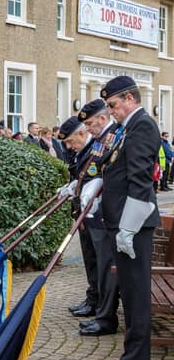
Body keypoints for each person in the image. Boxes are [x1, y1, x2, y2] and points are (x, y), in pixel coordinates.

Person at [84, 76, 161, 360]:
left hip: (134, 225)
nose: (112, 111)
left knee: (137, 293)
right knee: (128, 293)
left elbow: (141, 182)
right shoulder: (127, 128)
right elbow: (116, 169)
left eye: (113, 105)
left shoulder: (142, 126)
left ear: (130, 98)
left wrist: (127, 229)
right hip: (121, 223)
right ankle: (130, 356)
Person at [74, 99, 121, 337]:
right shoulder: (102, 140)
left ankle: (106, 318)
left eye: (91, 124)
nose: (88, 129)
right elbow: (92, 168)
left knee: (106, 267)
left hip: (105, 214)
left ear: (103, 119)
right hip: (95, 213)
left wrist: (97, 185)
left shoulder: (113, 136)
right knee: (99, 266)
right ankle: (102, 313)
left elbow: (106, 171)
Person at [57, 116, 98, 319]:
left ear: (82, 133)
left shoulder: (96, 148)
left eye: (71, 142)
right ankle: (92, 298)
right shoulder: (82, 150)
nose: (70, 147)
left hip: (94, 213)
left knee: (96, 260)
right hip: (82, 211)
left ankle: (97, 302)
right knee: (89, 258)